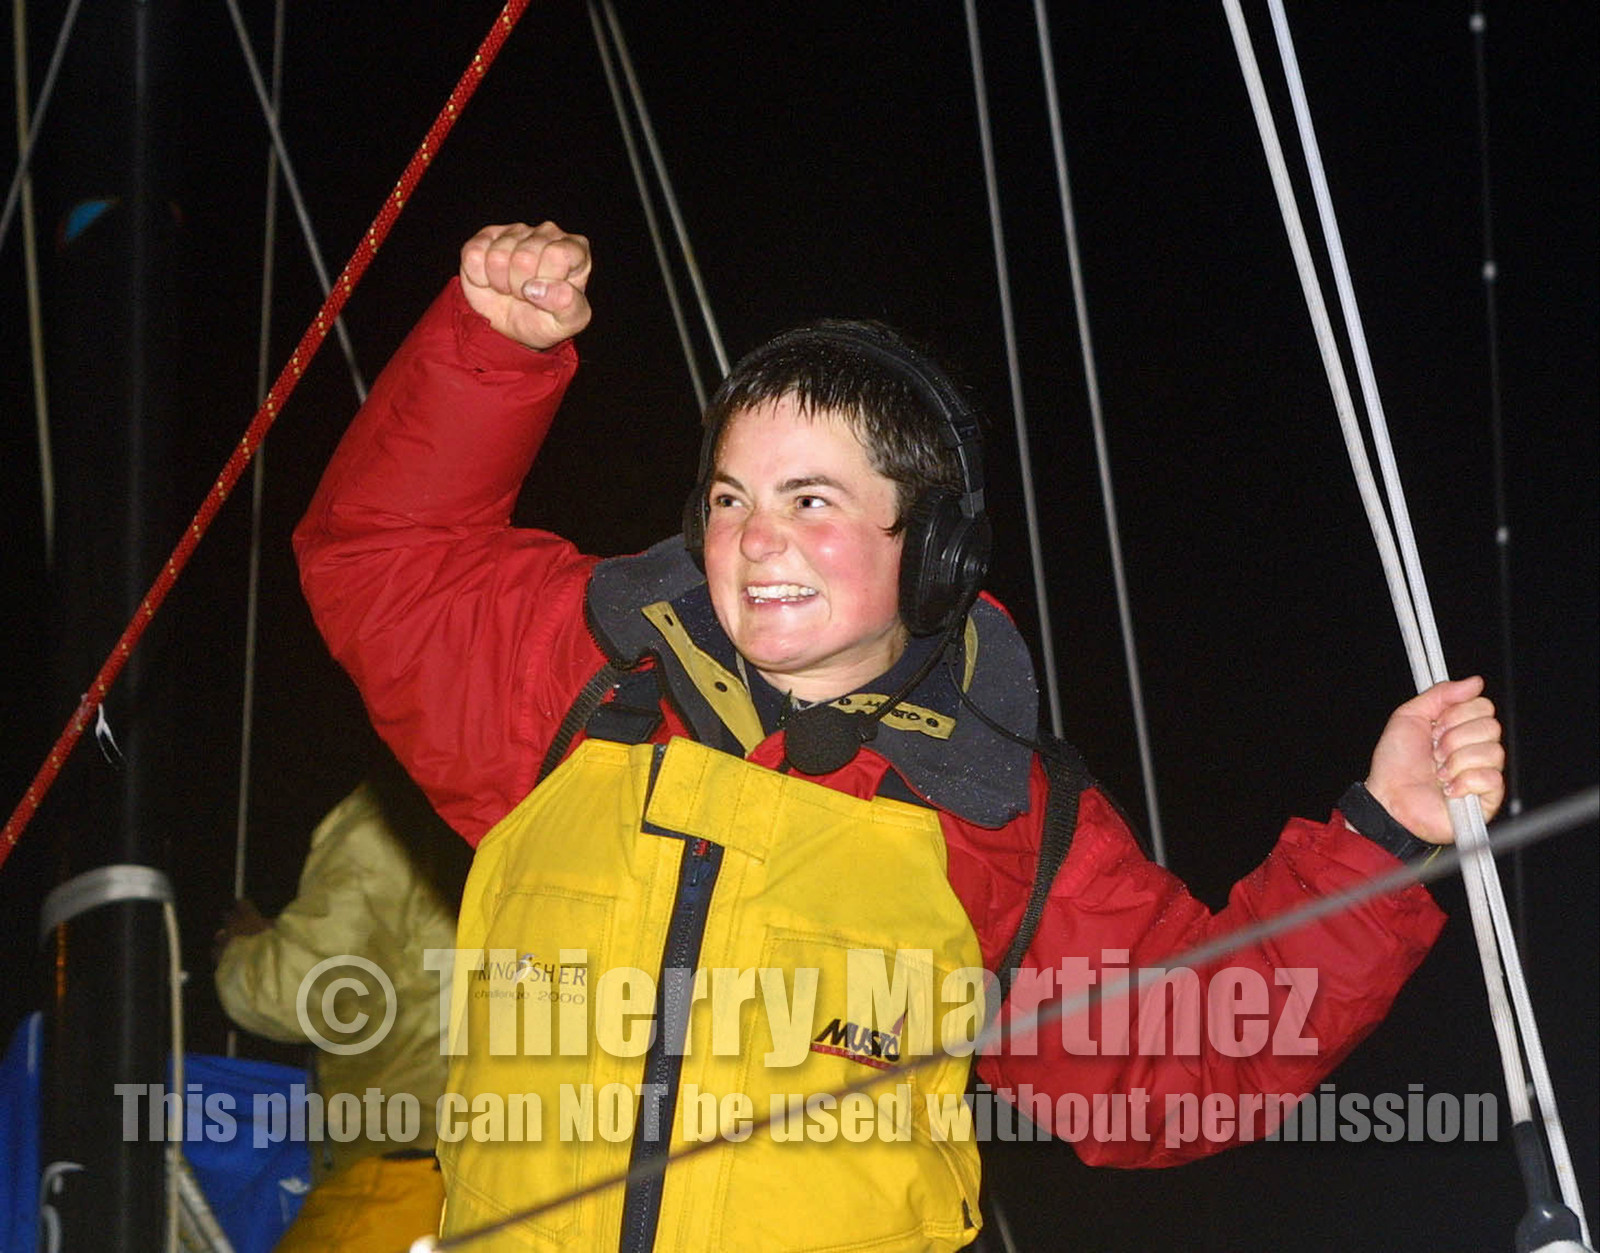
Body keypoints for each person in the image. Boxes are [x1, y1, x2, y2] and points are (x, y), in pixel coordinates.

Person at [292, 221, 1505, 1252]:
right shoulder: (586, 682)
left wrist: (1380, 835)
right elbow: (383, 560)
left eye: (811, 500)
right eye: (731, 497)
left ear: (924, 547)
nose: (756, 538)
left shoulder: (994, 806)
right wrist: (486, 352)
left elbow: (1181, 1057)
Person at [213, 757, 470, 1252]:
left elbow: (300, 992)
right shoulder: (531, 800)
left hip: (406, 1180)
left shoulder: (391, 814)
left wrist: (242, 950)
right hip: (505, 1183)